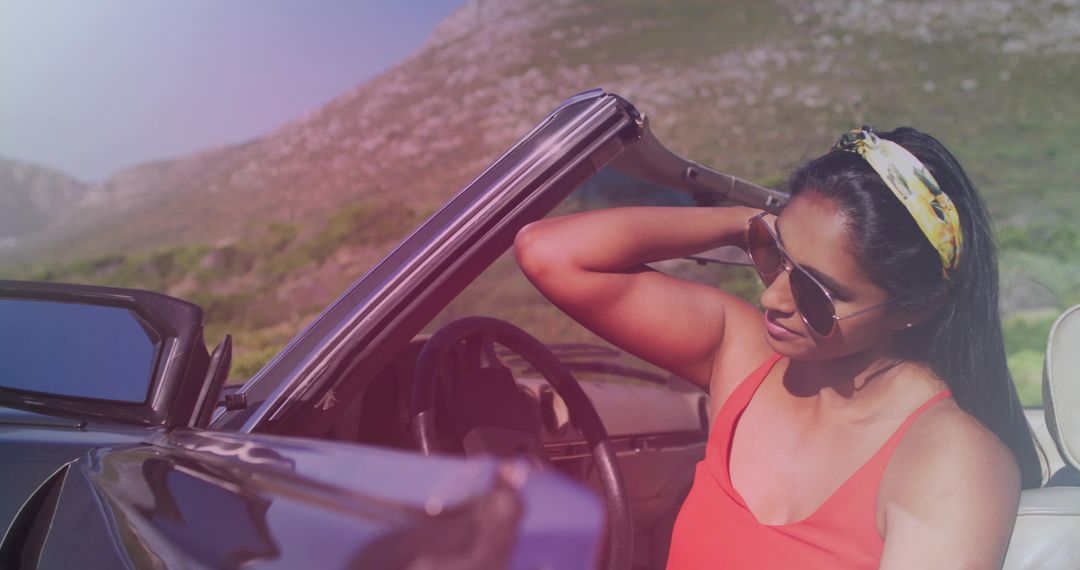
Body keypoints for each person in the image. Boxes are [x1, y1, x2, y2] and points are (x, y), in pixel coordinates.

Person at [513, 126, 1041, 569]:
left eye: (818, 291)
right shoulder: (744, 354)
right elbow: (548, 252)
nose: (771, 296)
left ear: (915, 308)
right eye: (775, 256)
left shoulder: (952, 460)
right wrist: (748, 224)